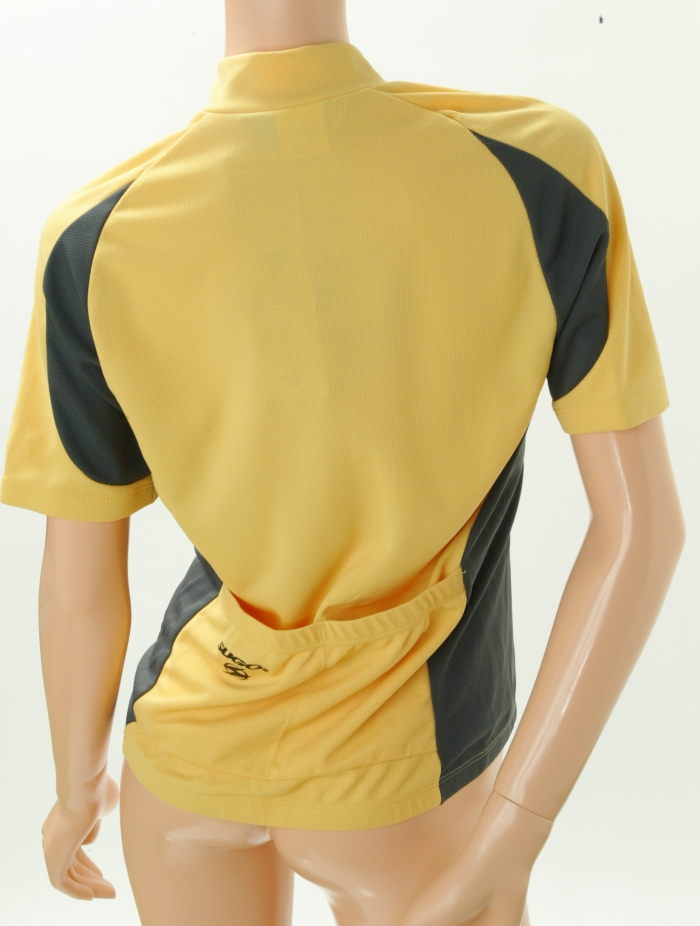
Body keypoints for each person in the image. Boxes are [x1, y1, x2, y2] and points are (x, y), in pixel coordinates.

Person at [0, 1, 685, 924]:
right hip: (405, 780)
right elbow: (642, 530)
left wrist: (75, 787)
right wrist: (516, 830)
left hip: (182, 767)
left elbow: (78, 579)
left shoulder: (92, 235)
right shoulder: (537, 165)